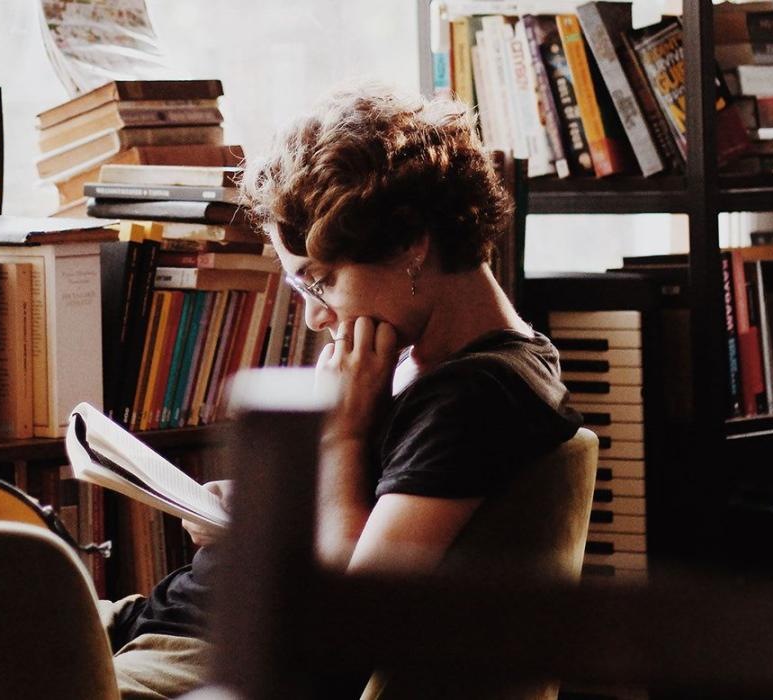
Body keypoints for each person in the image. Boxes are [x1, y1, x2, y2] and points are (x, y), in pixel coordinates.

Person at [98, 81, 586, 699]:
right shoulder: (429, 367)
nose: (314, 317)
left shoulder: (477, 396)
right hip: (168, 624)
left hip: (208, 656)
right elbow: (359, 518)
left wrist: (343, 436)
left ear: (411, 244)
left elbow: (352, 622)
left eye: (323, 281)